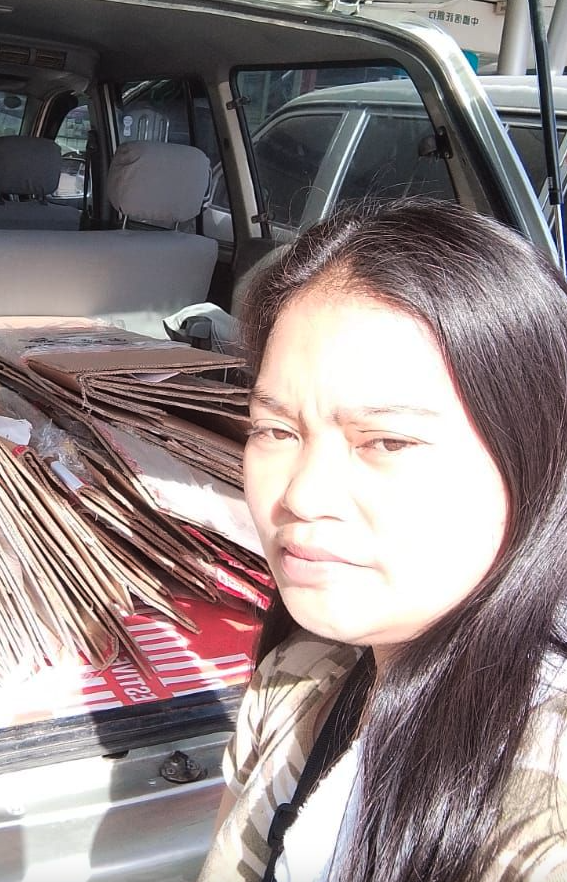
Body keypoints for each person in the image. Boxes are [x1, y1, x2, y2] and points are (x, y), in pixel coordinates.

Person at [199, 198, 567, 882]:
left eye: (387, 442)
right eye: (276, 431)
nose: (301, 495)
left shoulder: (542, 802)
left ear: (535, 458)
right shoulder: (297, 679)